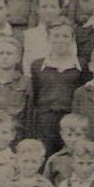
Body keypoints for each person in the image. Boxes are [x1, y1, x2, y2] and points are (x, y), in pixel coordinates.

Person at [30, 19, 84, 156]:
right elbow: (35, 95)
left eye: (65, 36)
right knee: (44, 155)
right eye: (56, 36)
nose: (60, 40)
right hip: (45, 121)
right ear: (48, 38)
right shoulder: (37, 66)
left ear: (72, 39)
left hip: (71, 120)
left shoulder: (81, 65)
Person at [43, 114, 90, 186]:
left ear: (86, 134)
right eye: (69, 135)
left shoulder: (91, 158)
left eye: (78, 135)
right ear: (62, 135)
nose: (73, 139)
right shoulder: (55, 159)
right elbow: (46, 185)